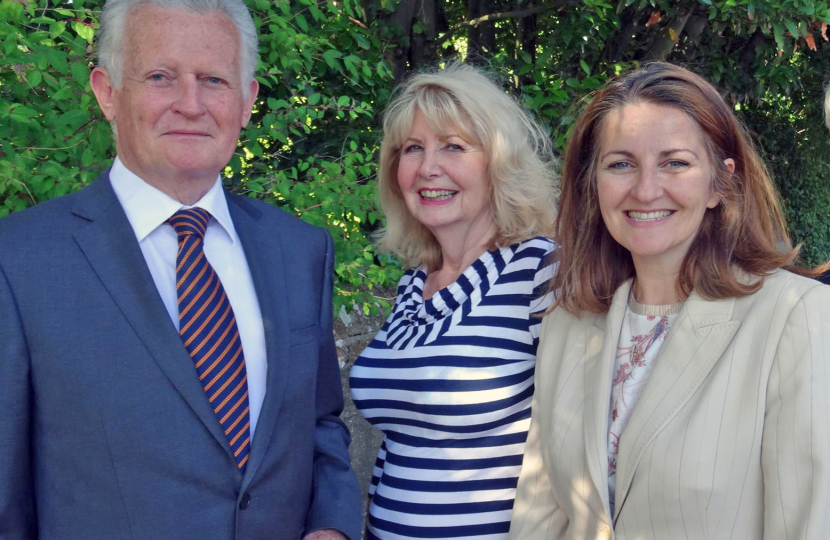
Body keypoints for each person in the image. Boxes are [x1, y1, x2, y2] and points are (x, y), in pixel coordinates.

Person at [0, 0, 360, 537]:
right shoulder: (20, 260)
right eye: (161, 77)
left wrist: (332, 525)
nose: (190, 104)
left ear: (246, 101)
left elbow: (318, 422)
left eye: (213, 79)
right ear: (107, 93)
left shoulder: (299, 249)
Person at [509, 62, 830, 540]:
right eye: (620, 164)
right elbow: (539, 517)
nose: (644, 189)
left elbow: (807, 522)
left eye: (675, 162)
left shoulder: (795, 316)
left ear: (720, 184)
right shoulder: (567, 326)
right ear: (593, 184)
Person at [349, 63, 559, 540]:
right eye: (412, 149)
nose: (428, 167)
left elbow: (587, 439)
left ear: (498, 162)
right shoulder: (413, 285)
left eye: (454, 147)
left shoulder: (541, 271)